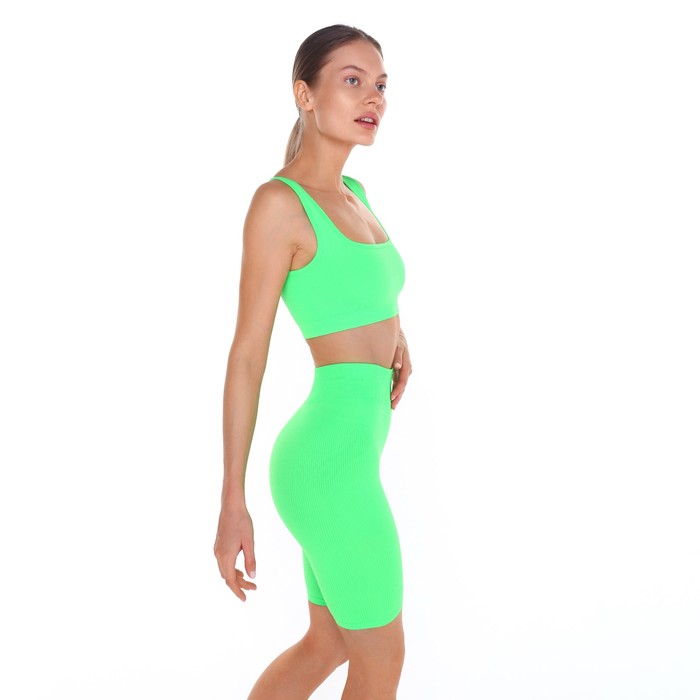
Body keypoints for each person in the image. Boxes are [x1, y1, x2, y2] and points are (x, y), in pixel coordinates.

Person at [213, 24, 413, 699]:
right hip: (327, 467)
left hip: (351, 456)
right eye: (351, 81)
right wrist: (232, 500)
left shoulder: (358, 196)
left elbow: (362, 292)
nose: (372, 97)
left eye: (380, 84)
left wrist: (397, 338)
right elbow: (247, 354)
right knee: (382, 660)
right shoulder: (279, 205)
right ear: (305, 94)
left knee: (328, 643)